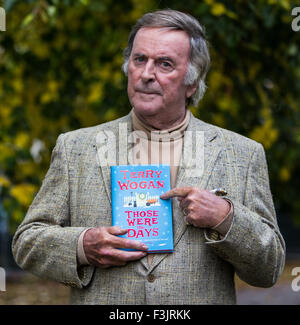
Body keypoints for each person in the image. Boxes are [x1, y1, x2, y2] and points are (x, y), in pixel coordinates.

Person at [12, 9, 285, 305]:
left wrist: (226, 218)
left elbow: (268, 269)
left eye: (164, 64)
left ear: (192, 82)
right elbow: (27, 242)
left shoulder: (241, 153)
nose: (146, 74)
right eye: (139, 59)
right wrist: (81, 245)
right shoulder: (75, 147)